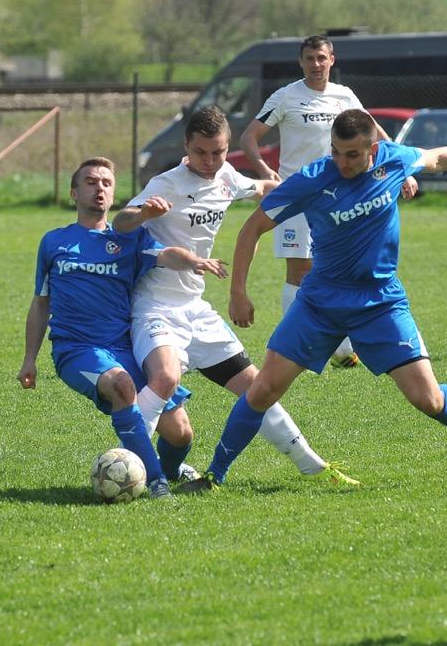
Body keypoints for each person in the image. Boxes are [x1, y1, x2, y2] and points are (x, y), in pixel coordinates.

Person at [177, 108, 447, 492]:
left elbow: (435, 157)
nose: (342, 162)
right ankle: (215, 476)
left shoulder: (393, 161)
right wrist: (238, 293)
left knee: (428, 400)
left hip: (380, 303)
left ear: (374, 148)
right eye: (336, 152)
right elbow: (253, 228)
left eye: (352, 155)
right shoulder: (314, 180)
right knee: (263, 389)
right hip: (320, 304)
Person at [113, 106, 359, 487]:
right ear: (186, 147)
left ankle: (313, 465)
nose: (210, 161)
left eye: (219, 151)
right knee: (164, 378)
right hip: (155, 307)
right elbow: (120, 220)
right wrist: (143, 213)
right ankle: (131, 469)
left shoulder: (226, 175)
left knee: (257, 387)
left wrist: (307, 186)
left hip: (196, 309)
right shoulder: (168, 183)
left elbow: (260, 188)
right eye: (201, 153)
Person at [18, 157, 227, 498]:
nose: (98, 188)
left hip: (124, 346)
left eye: (106, 183)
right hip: (77, 349)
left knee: (180, 434)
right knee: (121, 386)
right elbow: (41, 303)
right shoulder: (54, 242)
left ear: (114, 194)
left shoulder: (129, 240)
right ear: (73, 192)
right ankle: (157, 481)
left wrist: (194, 261)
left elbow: (167, 255)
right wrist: (29, 359)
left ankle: (171, 469)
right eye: (90, 182)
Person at [239, 33, 416, 368]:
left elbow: (374, 132)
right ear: (301, 62)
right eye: (310, 59)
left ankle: (339, 346)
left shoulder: (344, 95)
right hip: (297, 195)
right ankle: (304, 349)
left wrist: (403, 170)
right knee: (299, 270)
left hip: (339, 198)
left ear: (331, 60)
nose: (316, 64)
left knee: (334, 268)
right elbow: (249, 137)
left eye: (322, 58)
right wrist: (265, 171)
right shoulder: (286, 96)